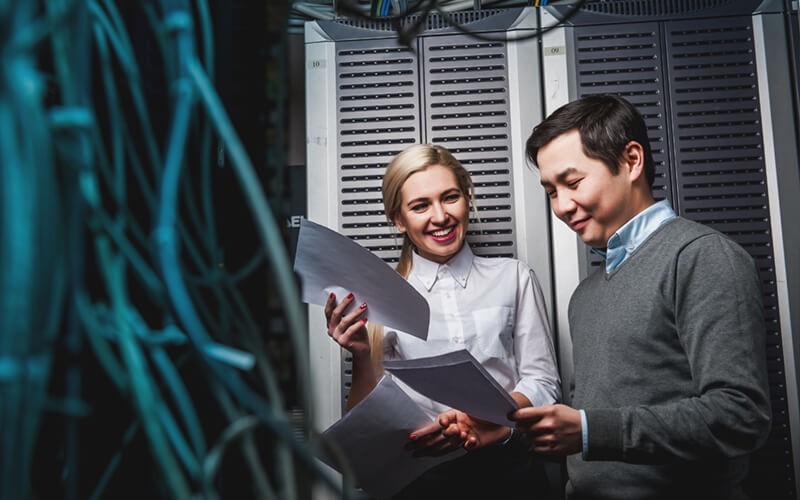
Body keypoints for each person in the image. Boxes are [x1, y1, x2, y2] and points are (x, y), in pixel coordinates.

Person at [510, 94, 772, 500]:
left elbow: (740, 415)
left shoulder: (701, 257)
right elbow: (589, 426)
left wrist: (590, 431)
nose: (562, 206)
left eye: (573, 182)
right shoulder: (585, 296)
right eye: (550, 191)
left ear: (632, 161)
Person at [324, 143, 561, 498]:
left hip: (511, 473)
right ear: (399, 220)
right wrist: (360, 354)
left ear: (467, 199)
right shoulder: (378, 298)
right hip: (421, 483)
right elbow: (365, 424)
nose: (440, 216)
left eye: (450, 197)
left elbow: (543, 381)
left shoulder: (514, 277)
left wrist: (489, 418)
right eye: (420, 206)